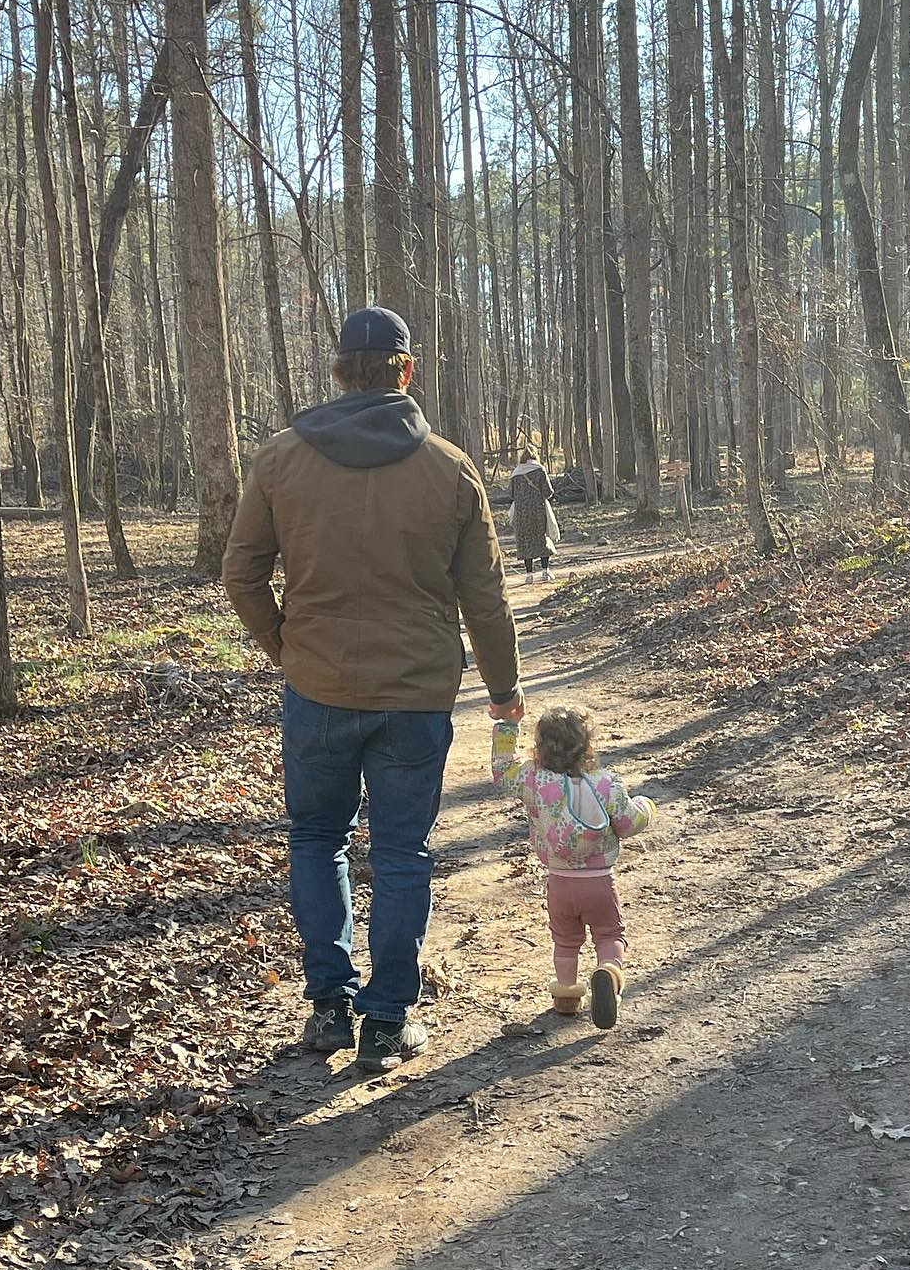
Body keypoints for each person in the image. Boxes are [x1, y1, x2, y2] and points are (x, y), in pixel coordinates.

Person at [223, 305, 523, 1074]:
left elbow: (241, 575)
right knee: (401, 852)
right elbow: (484, 598)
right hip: (415, 697)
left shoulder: (281, 460)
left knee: (317, 839)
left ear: (338, 372)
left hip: (318, 686)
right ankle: (386, 1022)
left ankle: (328, 1008)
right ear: (407, 370)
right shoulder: (452, 469)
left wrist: (289, 648)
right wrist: (503, 690)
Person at [491, 704, 655, 1030]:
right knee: (609, 934)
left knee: (565, 940)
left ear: (539, 747)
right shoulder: (606, 784)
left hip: (559, 883)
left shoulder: (533, 781)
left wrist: (507, 725)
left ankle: (566, 996)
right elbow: (627, 822)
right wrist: (646, 807)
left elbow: (502, 770)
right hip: (599, 882)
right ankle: (608, 972)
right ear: (589, 746)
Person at [509, 446, 556, 583]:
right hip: (538, 510)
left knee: (525, 540)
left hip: (521, 512)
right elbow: (548, 492)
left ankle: (529, 575)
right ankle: (545, 571)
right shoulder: (539, 470)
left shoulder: (515, 473)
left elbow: (511, 495)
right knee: (541, 538)